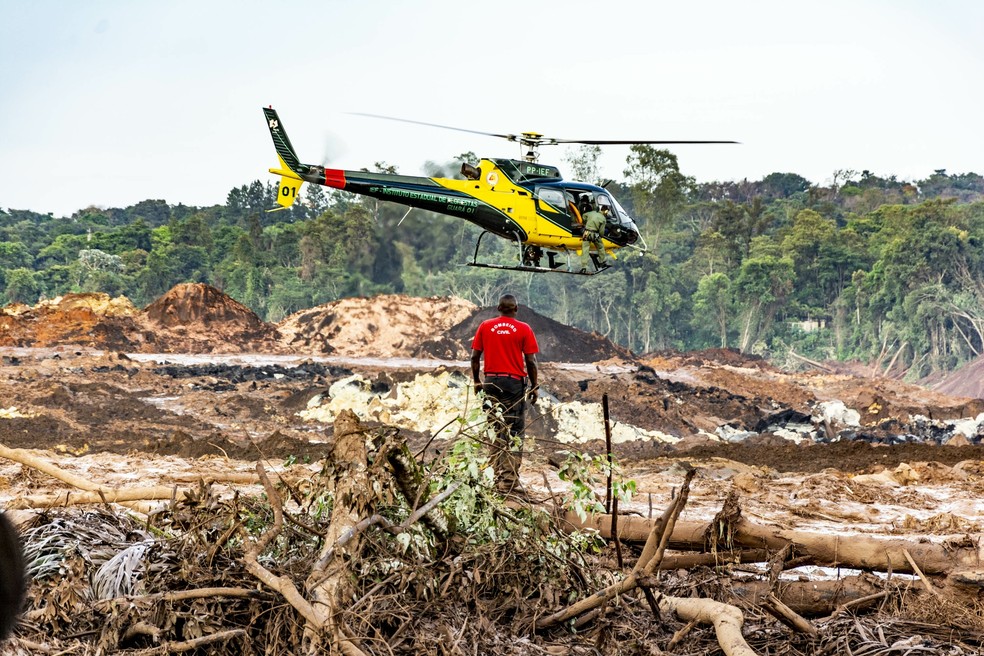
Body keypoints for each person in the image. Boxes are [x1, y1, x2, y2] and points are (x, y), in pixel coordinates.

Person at [470, 295, 539, 494]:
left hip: (491, 382)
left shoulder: (485, 326)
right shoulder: (524, 328)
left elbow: (475, 357)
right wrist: (534, 386)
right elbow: (531, 361)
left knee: (495, 430)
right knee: (514, 431)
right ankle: (508, 483)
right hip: (513, 384)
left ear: (499, 308)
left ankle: (493, 479)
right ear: (516, 308)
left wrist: (477, 381)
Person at [579, 197, 610, 272]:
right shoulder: (603, 219)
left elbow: (584, 216)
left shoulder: (592, 213)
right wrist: (601, 237)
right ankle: (602, 262)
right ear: (605, 211)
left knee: (585, 249)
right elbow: (601, 232)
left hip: (586, 233)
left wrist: (586, 222)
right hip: (595, 235)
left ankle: (584, 267)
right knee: (600, 247)